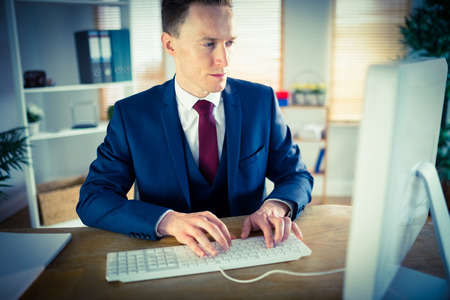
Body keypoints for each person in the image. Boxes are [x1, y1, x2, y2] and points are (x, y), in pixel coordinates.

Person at [77, 0, 313, 258]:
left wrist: (275, 207)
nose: (224, 59)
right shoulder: (131, 114)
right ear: (170, 45)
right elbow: (94, 198)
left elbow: (296, 175)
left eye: (229, 42)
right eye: (208, 43)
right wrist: (168, 221)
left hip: (252, 250)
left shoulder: (261, 101)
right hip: (167, 255)